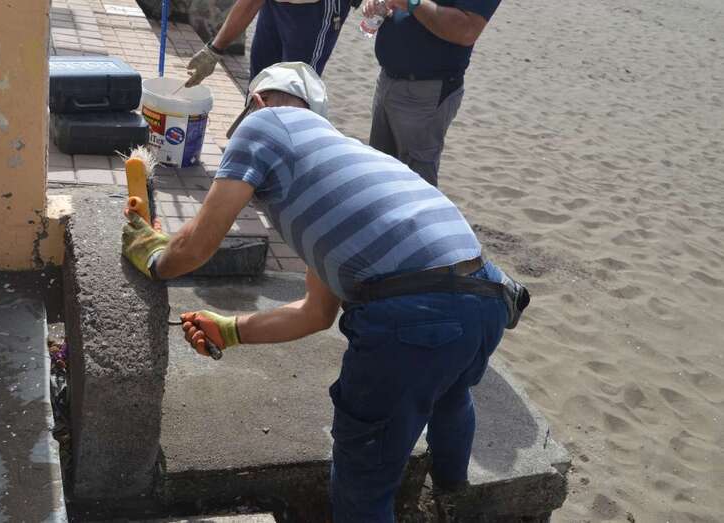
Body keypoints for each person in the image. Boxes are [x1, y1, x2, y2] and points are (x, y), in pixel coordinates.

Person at [123, 62, 528, 522]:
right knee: (452, 395)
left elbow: (197, 245)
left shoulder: (263, 122)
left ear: (255, 103)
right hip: (486, 293)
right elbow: (316, 312)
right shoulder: (339, 171)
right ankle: (454, 495)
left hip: (413, 314)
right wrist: (231, 330)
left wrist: (156, 258)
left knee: (364, 475)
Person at [361, 0, 501, 186]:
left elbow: (466, 30)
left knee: (415, 184)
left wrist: (412, 3)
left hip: (426, 90)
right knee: (379, 172)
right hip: (388, 79)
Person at [184, 0, 352, 89]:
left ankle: (287, 150)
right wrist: (214, 50)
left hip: (315, 8)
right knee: (260, 79)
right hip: (275, 5)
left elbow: (251, 3)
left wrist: (215, 50)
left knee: (295, 88)